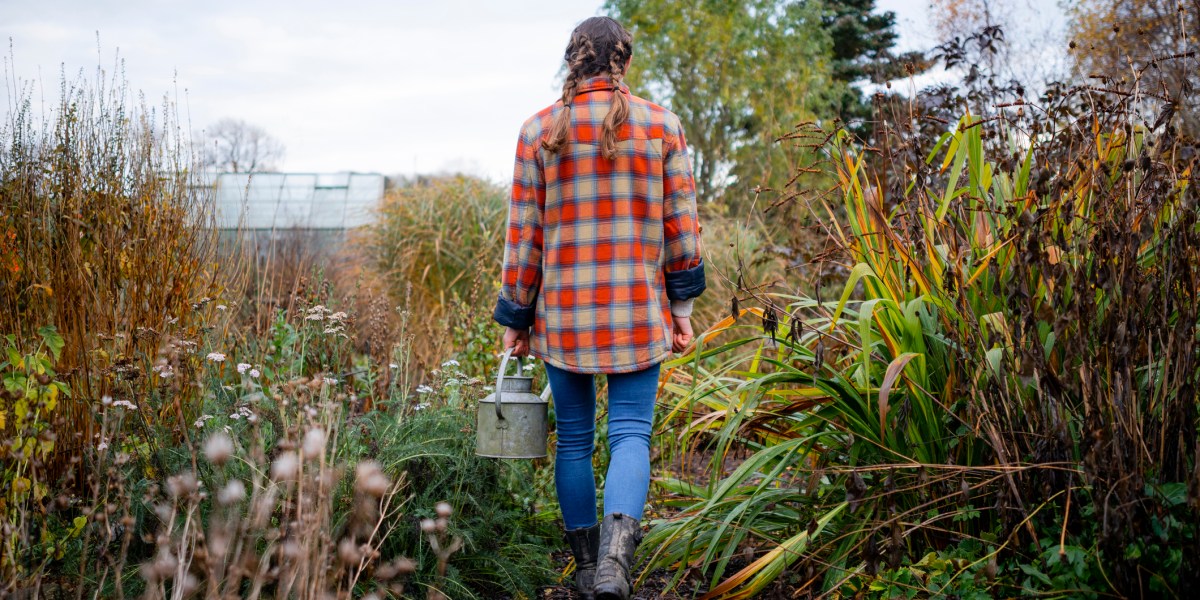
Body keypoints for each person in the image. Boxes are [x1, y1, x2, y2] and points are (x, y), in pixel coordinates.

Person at [492, 15, 705, 600]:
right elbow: (682, 230)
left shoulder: (538, 131)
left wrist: (516, 318)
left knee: (575, 440)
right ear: (624, 62)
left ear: (571, 62)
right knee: (632, 434)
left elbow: (524, 237)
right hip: (637, 311)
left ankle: (587, 572)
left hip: (563, 317)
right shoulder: (662, 126)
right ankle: (617, 568)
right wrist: (681, 308)